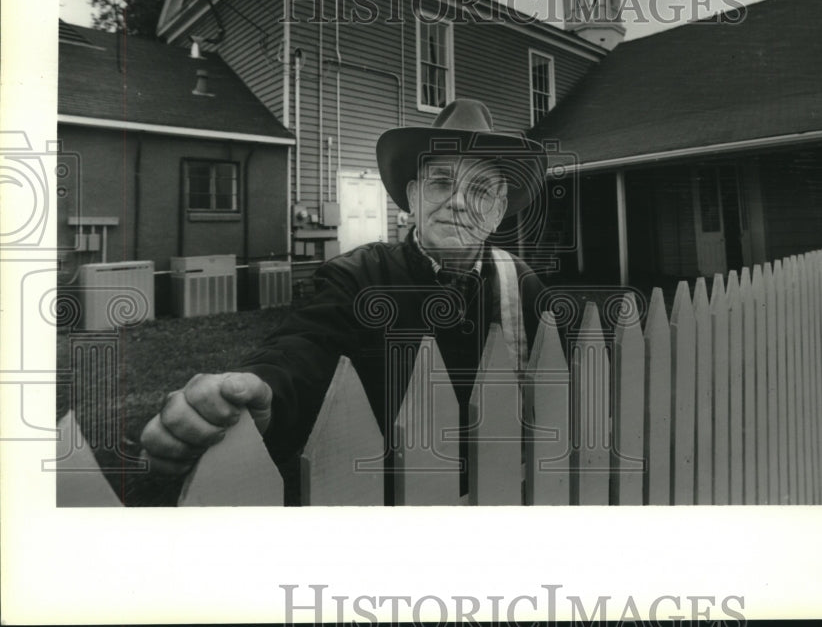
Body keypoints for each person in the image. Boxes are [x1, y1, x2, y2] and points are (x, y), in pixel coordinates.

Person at [139, 99, 549, 500]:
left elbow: (560, 381)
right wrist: (264, 390)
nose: (458, 201)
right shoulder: (357, 276)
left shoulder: (523, 283)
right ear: (412, 198)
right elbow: (303, 349)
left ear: (497, 211)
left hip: (502, 495)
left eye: (479, 191)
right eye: (441, 182)